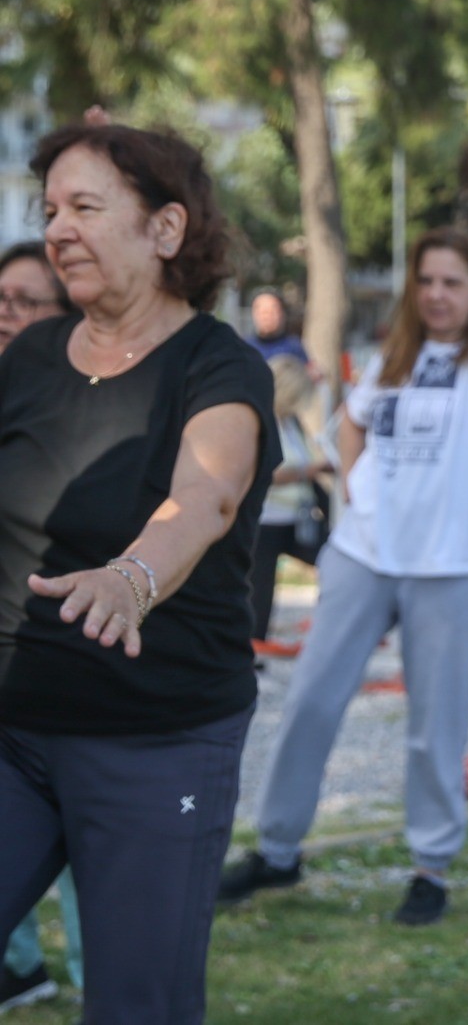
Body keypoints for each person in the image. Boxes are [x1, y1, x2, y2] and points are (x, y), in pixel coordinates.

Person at [0, 121, 278, 1023]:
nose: (58, 229)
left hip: (156, 742)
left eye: (85, 207)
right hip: (13, 732)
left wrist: (131, 578)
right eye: (50, 210)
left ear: (166, 230)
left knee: (136, 1006)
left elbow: (206, 497)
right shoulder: (31, 358)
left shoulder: (218, 365)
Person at [217, 228, 468, 926]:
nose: (438, 294)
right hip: (362, 556)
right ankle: (277, 850)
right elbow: (351, 426)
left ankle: (431, 866)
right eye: (428, 281)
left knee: (434, 726)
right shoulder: (390, 358)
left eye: (454, 281)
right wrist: (357, 484)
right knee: (308, 701)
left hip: (445, 568)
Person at [0, 241, 83, 1013]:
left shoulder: (85, 401)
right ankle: (21, 966)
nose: (6, 315)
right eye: (0, 299)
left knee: (86, 839)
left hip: (73, 660)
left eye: (26, 301)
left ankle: (101, 975)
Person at [248, 354, 333, 645]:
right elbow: (262, 473)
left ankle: (333, 627)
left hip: (295, 519)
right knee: (260, 595)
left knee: (334, 561)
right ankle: (253, 648)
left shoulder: (291, 423)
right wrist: (308, 470)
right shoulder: (257, 420)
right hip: (265, 520)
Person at [246, 287, 310, 365]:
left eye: (272, 311)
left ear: (282, 314)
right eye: (263, 312)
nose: (267, 317)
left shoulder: (294, 347)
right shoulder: (245, 348)